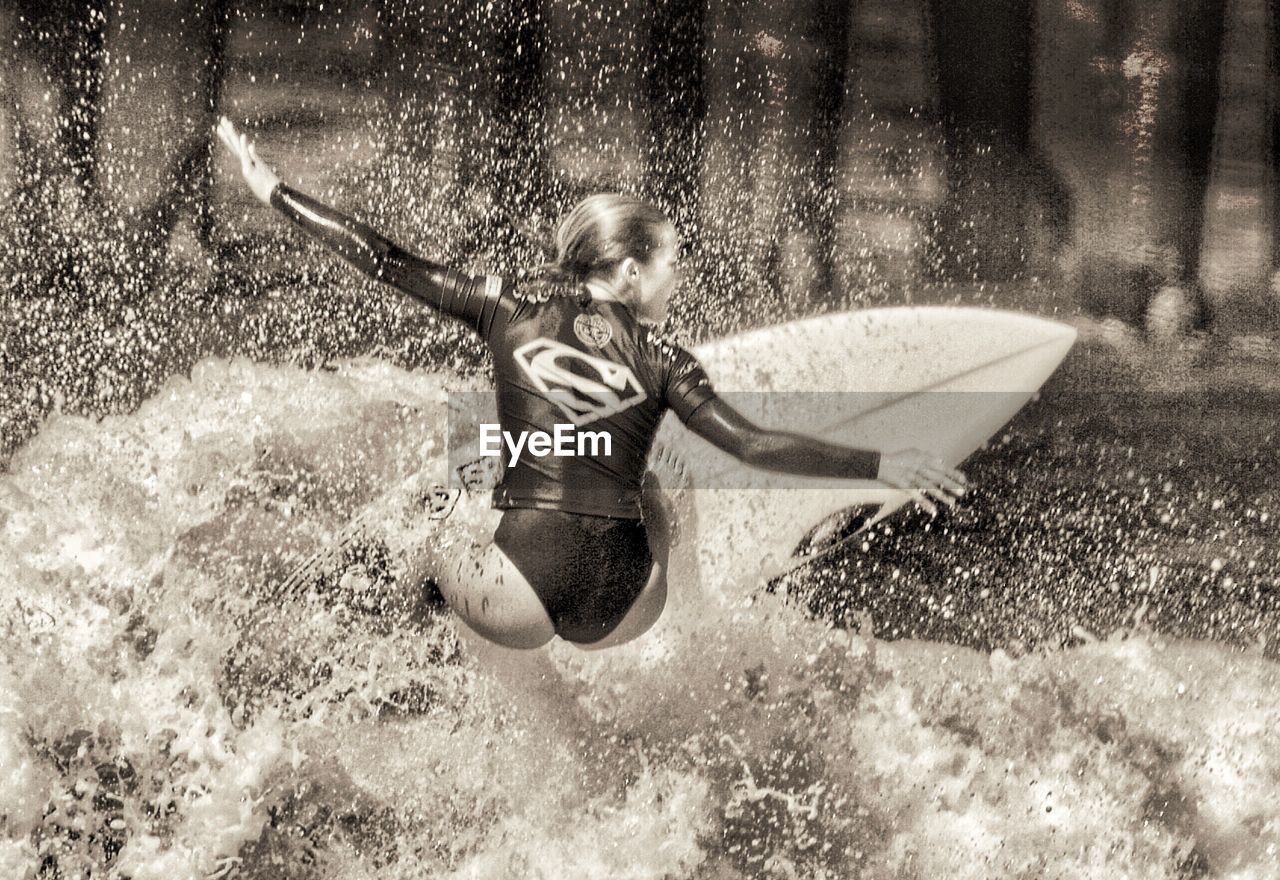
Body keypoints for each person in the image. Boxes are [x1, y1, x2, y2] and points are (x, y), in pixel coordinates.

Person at [215, 116, 967, 652]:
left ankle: (416, 622)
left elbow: (386, 260)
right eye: (671, 263)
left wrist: (273, 190)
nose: (679, 278)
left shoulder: (506, 307)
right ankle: (689, 626)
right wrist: (880, 466)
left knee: (435, 502)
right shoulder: (667, 357)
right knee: (659, 484)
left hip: (518, 598)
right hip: (625, 605)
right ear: (631, 271)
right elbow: (753, 445)